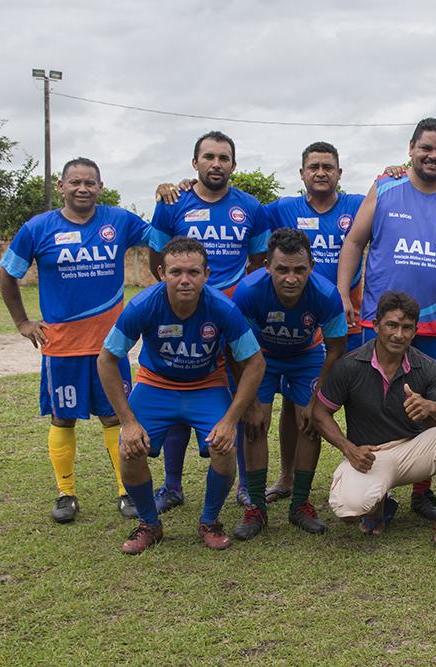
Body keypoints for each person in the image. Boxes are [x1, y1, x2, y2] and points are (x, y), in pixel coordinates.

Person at [337, 117, 436, 522]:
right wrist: (342, 292)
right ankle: (377, 486)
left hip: (435, 325)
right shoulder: (385, 186)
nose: (433, 156)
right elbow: (355, 240)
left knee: (429, 407)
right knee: (371, 405)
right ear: (411, 147)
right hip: (378, 321)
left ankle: (423, 490)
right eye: (427, 147)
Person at [0, 157, 150, 523]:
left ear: (100, 187)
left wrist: (172, 199)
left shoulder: (119, 221)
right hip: (61, 347)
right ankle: (66, 494)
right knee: (63, 419)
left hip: (110, 347)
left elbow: (160, 237)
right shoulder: (38, 228)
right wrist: (21, 322)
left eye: (90, 183)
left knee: (115, 417)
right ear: (62, 186)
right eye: (75, 182)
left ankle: (125, 492)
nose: (83, 188)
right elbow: (7, 275)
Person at [97, 237, 265, 554]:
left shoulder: (222, 307)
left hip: (206, 385)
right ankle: (149, 524)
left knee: (223, 445)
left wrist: (231, 420)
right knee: (128, 449)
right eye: (176, 272)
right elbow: (106, 359)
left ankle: (210, 521)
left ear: (207, 274)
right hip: (156, 384)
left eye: (193, 272)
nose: (185, 280)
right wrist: (127, 422)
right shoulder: (142, 305)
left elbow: (255, 363)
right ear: (161, 273)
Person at [146, 131, 271, 516]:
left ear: (233, 165)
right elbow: (156, 259)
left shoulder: (251, 207)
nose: (216, 163)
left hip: (232, 322)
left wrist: (228, 301)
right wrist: (182, 298)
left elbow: (258, 262)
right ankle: (172, 485)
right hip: (182, 317)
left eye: (224, 157)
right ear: (195, 162)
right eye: (209, 156)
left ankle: (248, 487)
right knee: (179, 392)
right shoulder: (172, 203)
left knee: (243, 401)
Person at [311, 291, 436, 558]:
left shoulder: (426, 366)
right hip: (369, 455)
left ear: (415, 331)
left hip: (413, 451)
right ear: (375, 325)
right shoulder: (349, 366)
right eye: (392, 325)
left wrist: (430, 406)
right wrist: (348, 448)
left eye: (407, 328)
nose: (399, 334)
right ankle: (379, 507)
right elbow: (320, 414)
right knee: (348, 510)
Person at [229, 228, 347, 538]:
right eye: (282, 269)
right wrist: (249, 404)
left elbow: (336, 348)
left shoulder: (325, 294)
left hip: (306, 356)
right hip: (260, 357)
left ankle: (300, 504)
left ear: (312, 267)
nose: (291, 278)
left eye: (299, 270)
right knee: (254, 424)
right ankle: (256, 508)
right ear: (267, 266)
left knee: (310, 422)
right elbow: (236, 348)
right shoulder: (248, 291)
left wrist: (316, 400)